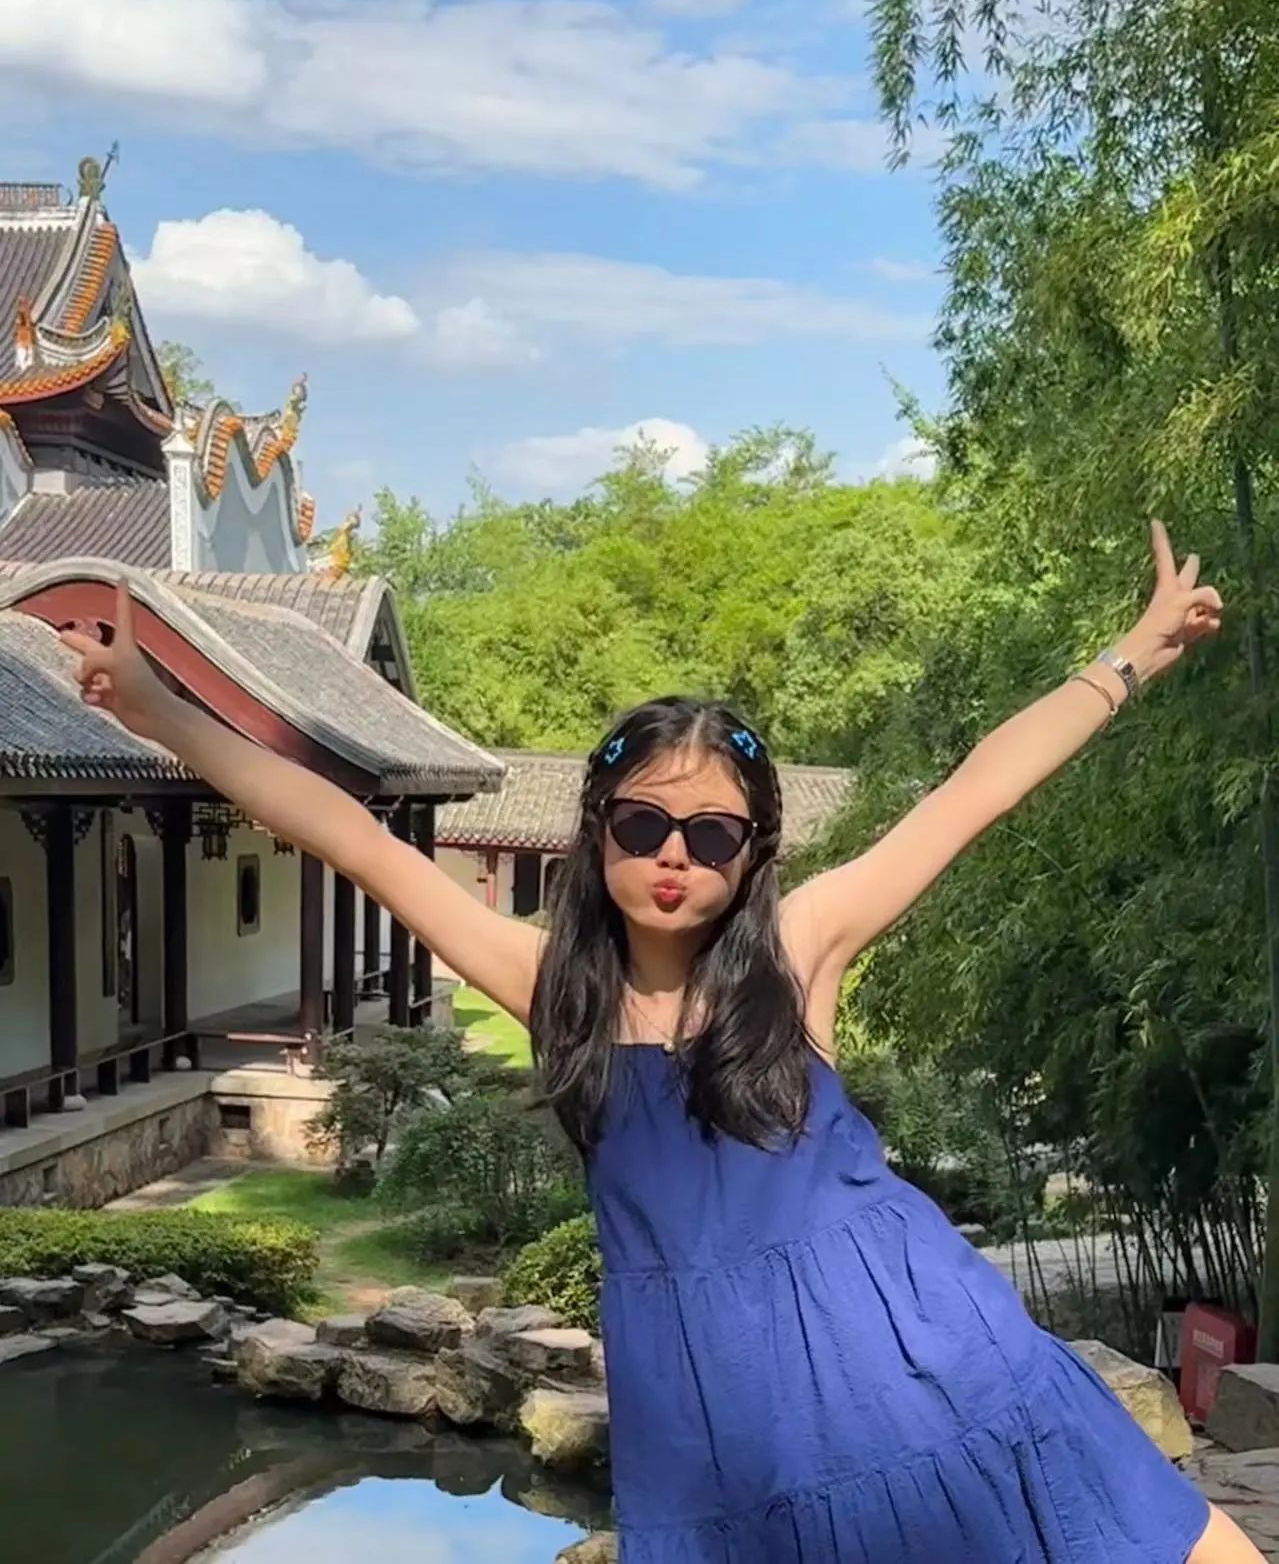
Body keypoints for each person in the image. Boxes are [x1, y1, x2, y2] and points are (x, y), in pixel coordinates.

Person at [62, 522, 1258, 1563]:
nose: (675, 852)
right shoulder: (551, 987)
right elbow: (356, 839)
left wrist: (1131, 653)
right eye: (643, 823)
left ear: (752, 852)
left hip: (911, 1344)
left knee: (1177, 1538)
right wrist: (158, 708)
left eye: (712, 833)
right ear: (597, 833)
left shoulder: (798, 950)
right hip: (713, 1415)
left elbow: (972, 790)